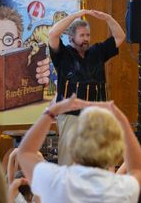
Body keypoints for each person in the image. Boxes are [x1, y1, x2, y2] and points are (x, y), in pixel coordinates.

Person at [17, 94, 141, 203]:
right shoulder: (122, 189)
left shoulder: (56, 181)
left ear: (72, 143)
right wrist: (123, 121)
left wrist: (52, 111)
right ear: (117, 149)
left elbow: (25, 152)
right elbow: (138, 169)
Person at [48, 9, 125, 164]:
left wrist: (108, 17)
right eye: (81, 35)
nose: (85, 39)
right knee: (68, 157)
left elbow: (120, 36)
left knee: (96, 156)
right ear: (71, 37)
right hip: (70, 114)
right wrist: (75, 15)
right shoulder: (63, 54)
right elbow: (52, 34)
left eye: (87, 35)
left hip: (95, 115)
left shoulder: (97, 52)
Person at [0, 5, 50, 85]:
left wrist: (41, 84)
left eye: (8, 40)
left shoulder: (28, 73)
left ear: (19, 45)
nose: (0, 48)